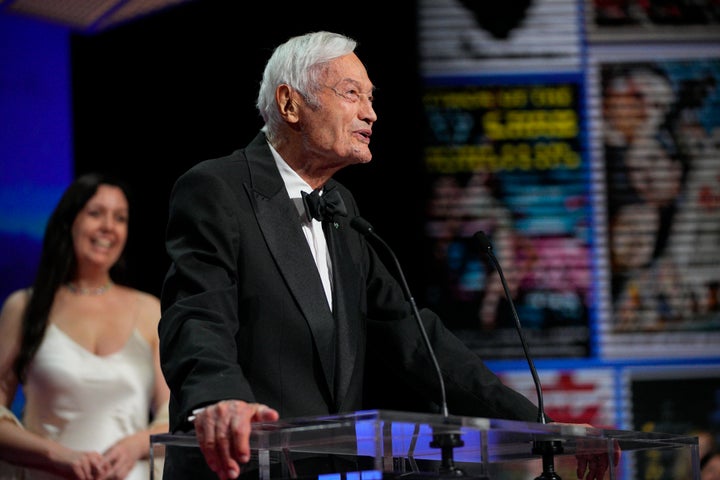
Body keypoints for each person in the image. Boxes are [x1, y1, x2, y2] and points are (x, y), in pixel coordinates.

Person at [158, 31, 614, 480]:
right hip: (238, 465)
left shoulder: (340, 208)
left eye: (372, 98)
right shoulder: (218, 189)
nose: (371, 114)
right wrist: (217, 400)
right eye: (352, 94)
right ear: (290, 103)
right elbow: (197, 313)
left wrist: (540, 424)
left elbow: (415, 338)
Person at [0, 173, 170, 480]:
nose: (108, 226)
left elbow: (172, 413)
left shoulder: (149, 310)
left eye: (120, 218)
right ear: (69, 222)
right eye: (95, 213)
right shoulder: (25, 306)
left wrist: (135, 445)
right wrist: (55, 454)